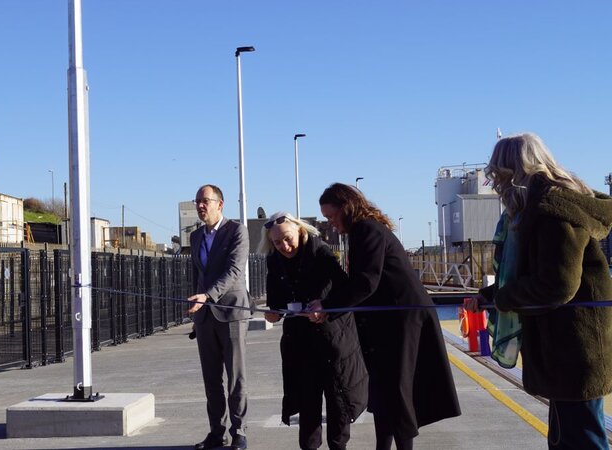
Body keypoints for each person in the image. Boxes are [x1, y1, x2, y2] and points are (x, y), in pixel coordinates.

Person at [465, 133, 612, 449]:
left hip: (570, 348)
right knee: (577, 433)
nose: (497, 185)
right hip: (577, 347)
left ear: (514, 172)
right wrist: (490, 296)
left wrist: (504, 298)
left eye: (499, 175)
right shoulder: (551, 205)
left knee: (576, 438)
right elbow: (537, 271)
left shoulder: (552, 212)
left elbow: (557, 284)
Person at [314, 183, 461, 450]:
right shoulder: (362, 230)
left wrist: (328, 307)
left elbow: (366, 282)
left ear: (346, 208)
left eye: (332, 216)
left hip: (403, 319)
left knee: (398, 389)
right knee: (382, 391)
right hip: (387, 321)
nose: (331, 224)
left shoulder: (367, 230)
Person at [259, 212, 368, 450]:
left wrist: (324, 306)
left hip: (333, 338)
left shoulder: (321, 252)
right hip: (300, 341)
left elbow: (344, 289)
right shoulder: (274, 260)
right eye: (277, 243)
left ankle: (339, 447)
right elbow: (276, 298)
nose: (284, 246)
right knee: (307, 400)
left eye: (287, 239)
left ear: (300, 231)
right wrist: (273, 312)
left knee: (338, 400)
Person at [187, 184, 252, 450]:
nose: (201, 206)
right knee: (211, 379)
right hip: (204, 317)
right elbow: (197, 274)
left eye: (205, 201)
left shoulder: (237, 231)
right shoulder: (194, 237)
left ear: (220, 204)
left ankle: (240, 431)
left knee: (236, 377)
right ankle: (217, 431)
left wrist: (208, 295)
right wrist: (195, 302)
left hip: (232, 313)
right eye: (197, 202)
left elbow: (234, 270)